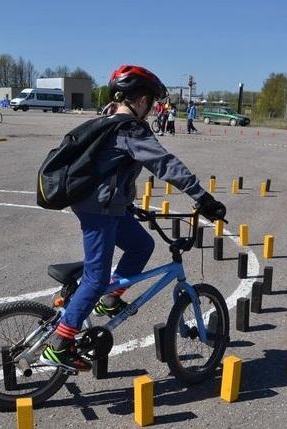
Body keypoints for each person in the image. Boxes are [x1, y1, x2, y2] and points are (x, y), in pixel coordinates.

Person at [39, 64, 227, 372]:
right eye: (151, 102)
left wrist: (127, 205)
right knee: (95, 277)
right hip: (97, 211)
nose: (152, 109)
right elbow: (163, 163)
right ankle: (59, 343)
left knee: (141, 245)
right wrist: (202, 197)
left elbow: (111, 172)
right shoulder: (128, 129)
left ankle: (109, 299)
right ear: (140, 100)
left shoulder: (110, 121)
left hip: (110, 207)